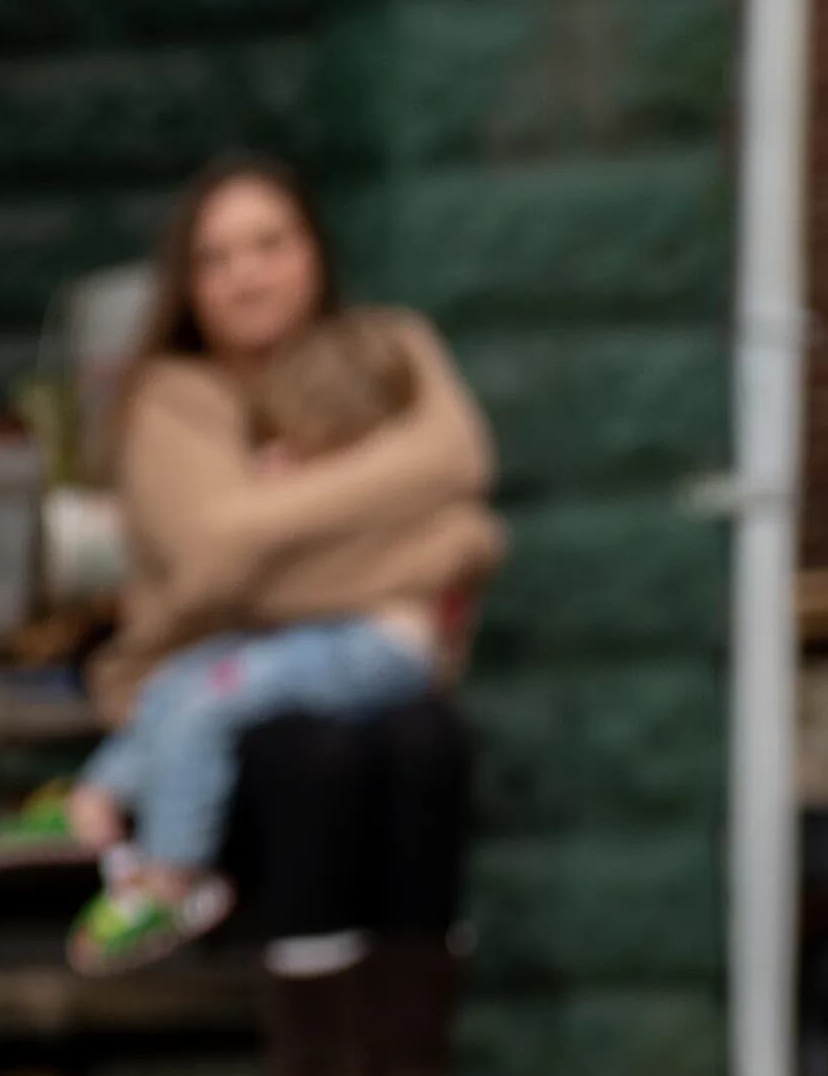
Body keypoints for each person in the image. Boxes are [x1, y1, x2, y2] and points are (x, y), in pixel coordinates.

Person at [80, 155, 504, 1076]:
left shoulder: (391, 349)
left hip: (377, 684)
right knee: (310, 752)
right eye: (217, 256)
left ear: (314, 250)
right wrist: (418, 534)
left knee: (425, 741)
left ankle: (410, 1068)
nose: (248, 274)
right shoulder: (170, 399)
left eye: (270, 242)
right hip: (203, 706)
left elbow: (464, 462)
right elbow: (216, 561)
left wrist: (286, 531)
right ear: (188, 281)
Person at [54, 309, 499, 979]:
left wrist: (270, 531)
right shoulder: (175, 400)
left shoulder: (378, 462)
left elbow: (464, 540)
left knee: (215, 696)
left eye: (292, 449)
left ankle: (172, 880)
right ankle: (101, 794)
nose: (269, 465)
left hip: (376, 648)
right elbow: (221, 565)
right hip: (321, 644)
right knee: (189, 679)